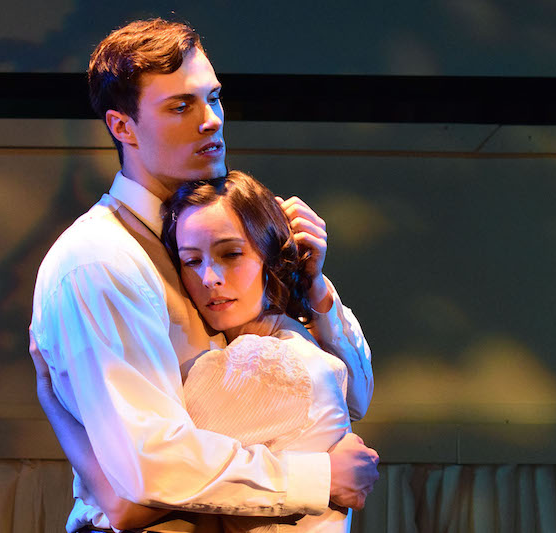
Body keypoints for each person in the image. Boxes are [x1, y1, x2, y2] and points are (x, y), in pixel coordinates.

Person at [29, 18, 378, 533]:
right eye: (180, 106)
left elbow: (352, 395)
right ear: (123, 127)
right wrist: (318, 475)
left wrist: (313, 289)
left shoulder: (216, 228)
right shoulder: (101, 260)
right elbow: (147, 470)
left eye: (212, 99)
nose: (211, 120)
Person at [34, 170, 370, 531]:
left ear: (272, 257)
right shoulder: (301, 348)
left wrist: (54, 403)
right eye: (192, 260)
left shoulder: (262, 364)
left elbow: (129, 501)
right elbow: (358, 396)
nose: (209, 277)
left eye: (231, 254)